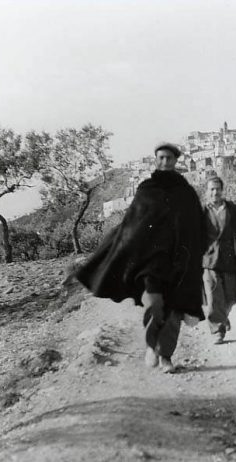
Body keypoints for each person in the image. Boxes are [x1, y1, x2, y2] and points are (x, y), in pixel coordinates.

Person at [75, 143, 205, 373]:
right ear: (155, 160)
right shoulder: (146, 188)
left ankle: (166, 357)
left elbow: (196, 227)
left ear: (176, 161)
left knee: (174, 312)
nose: (165, 162)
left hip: (177, 264)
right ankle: (151, 345)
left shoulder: (185, 192)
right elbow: (131, 224)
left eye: (169, 158)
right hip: (150, 263)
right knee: (154, 305)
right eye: (161, 158)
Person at [202, 176, 236, 344]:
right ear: (207, 191)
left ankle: (222, 316)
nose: (215, 192)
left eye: (217, 189)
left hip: (231, 259)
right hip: (210, 260)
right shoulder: (201, 211)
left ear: (222, 190)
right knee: (214, 295)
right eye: (211, 189)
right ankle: (217, 329)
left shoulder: (232, 210)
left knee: (231, 296)